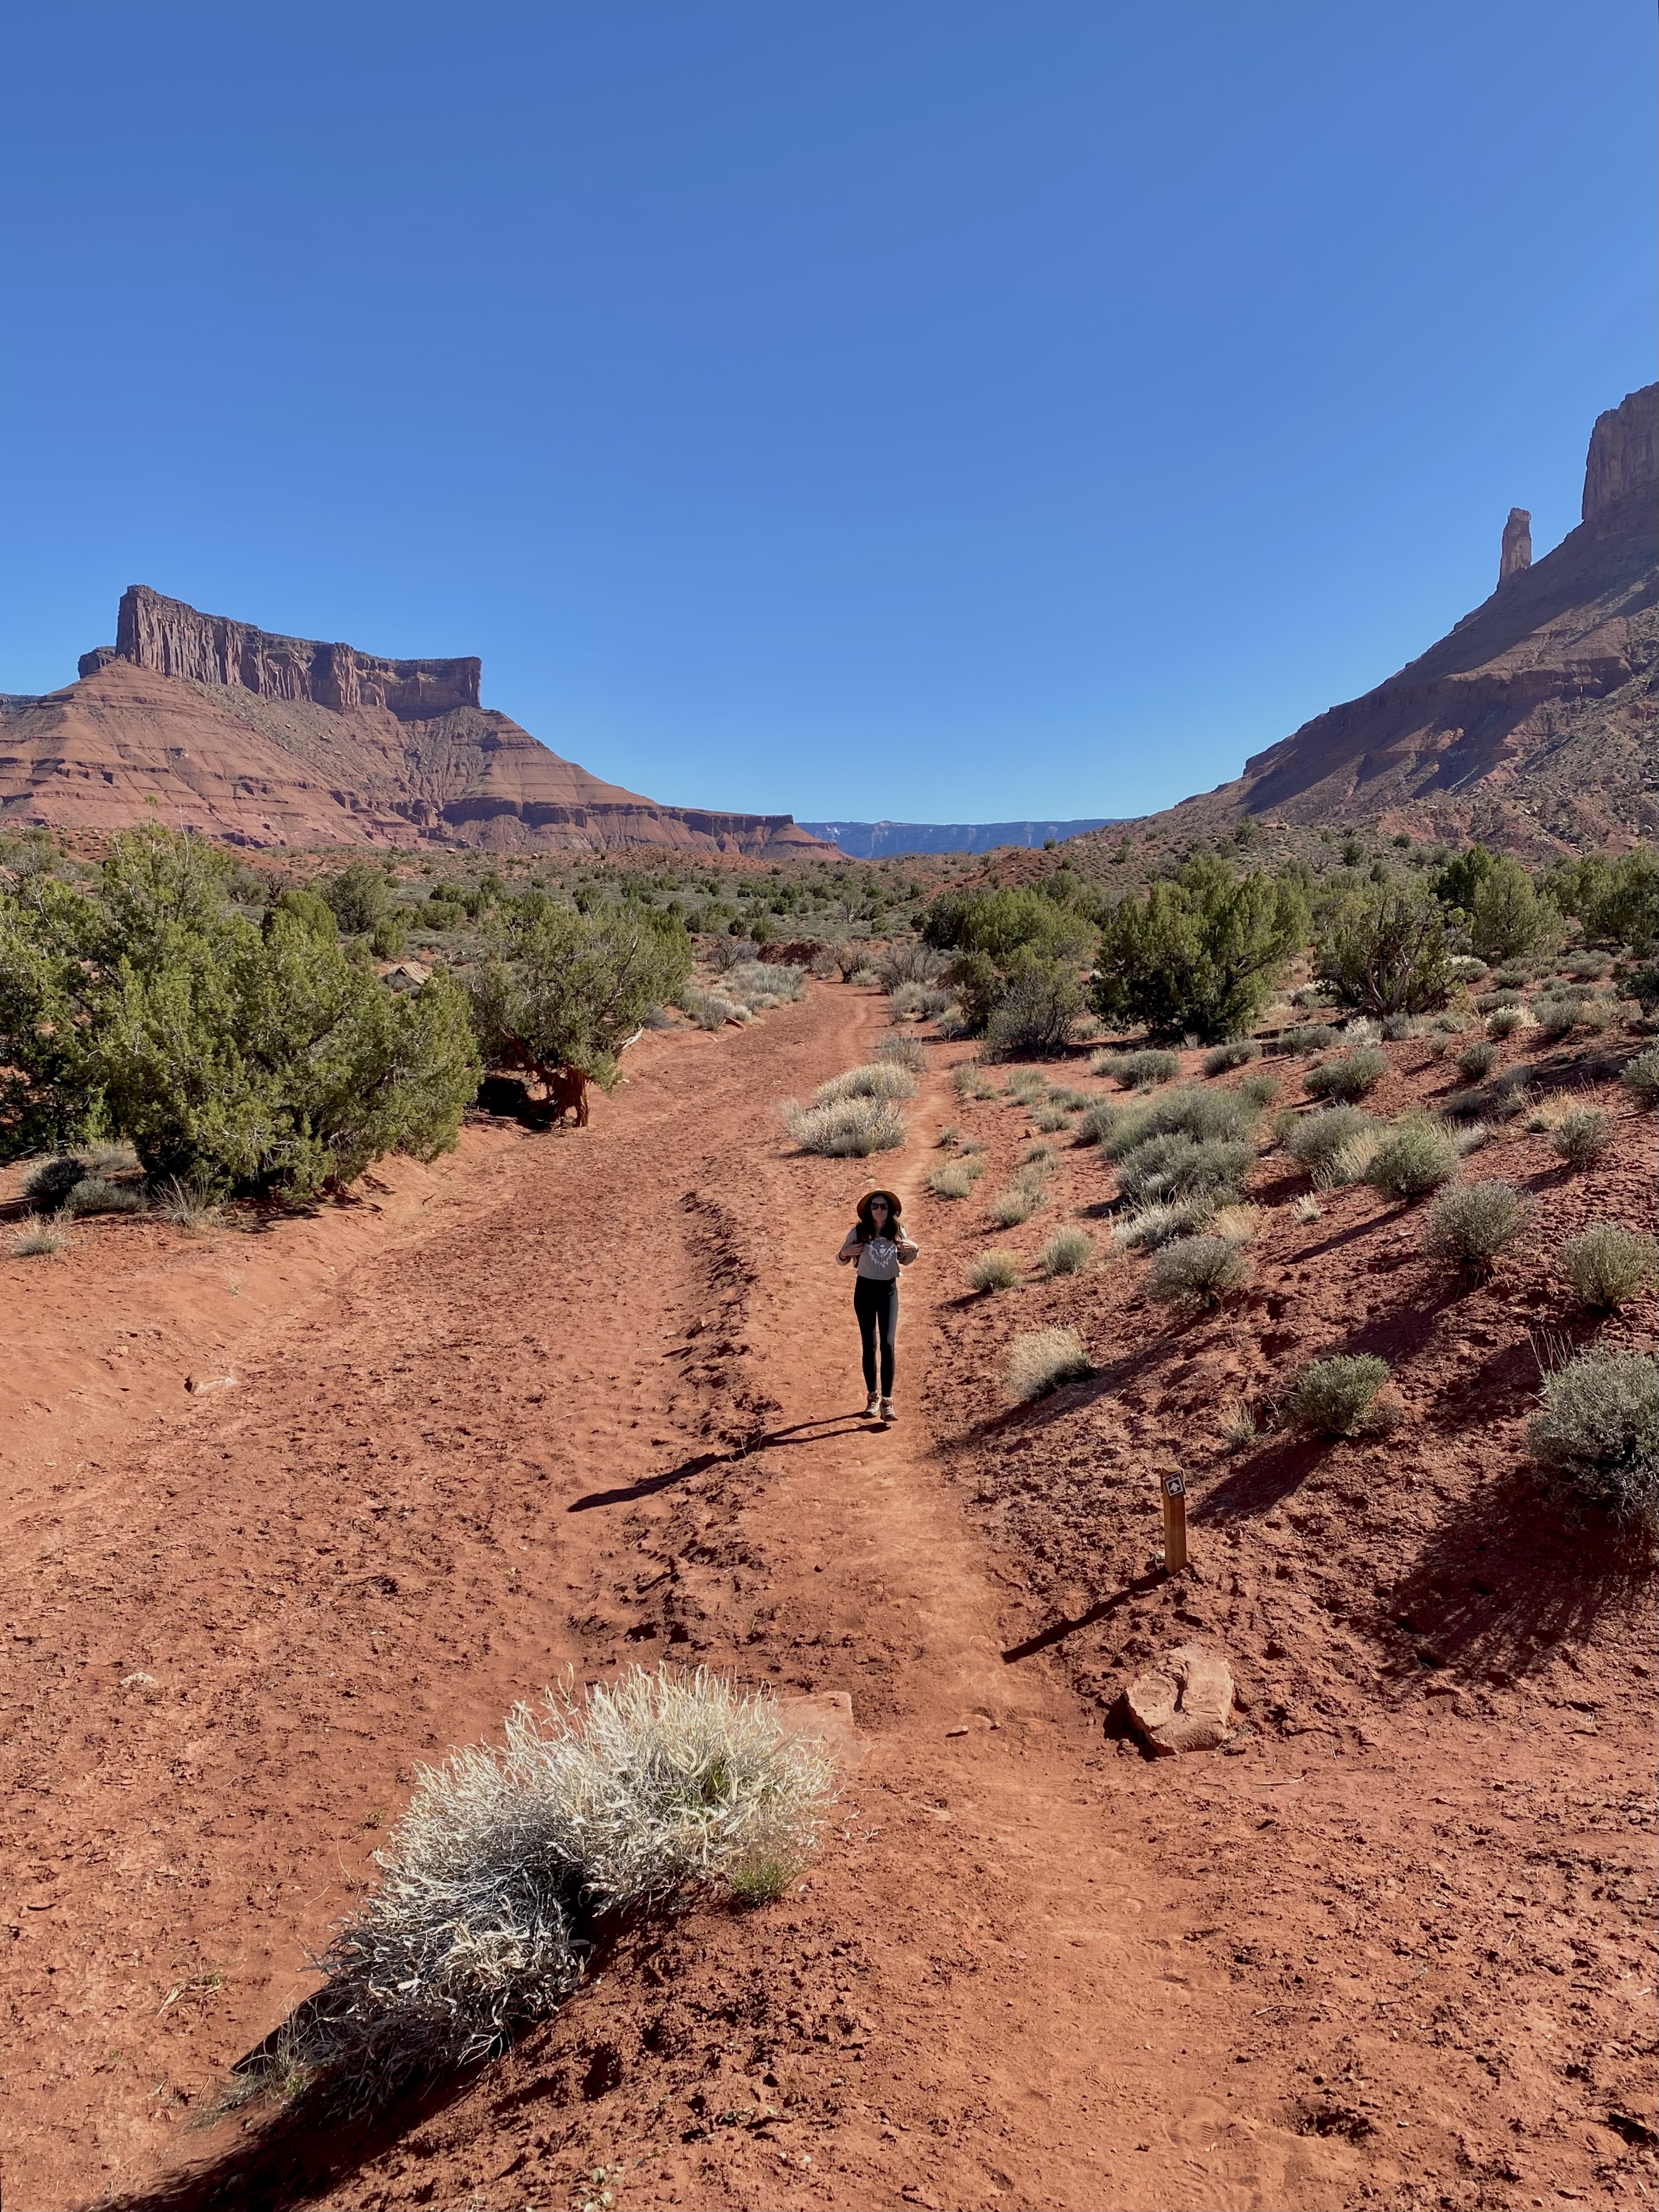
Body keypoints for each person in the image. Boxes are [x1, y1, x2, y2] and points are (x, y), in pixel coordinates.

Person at [836, 1189, 918, 1424]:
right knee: (869, 1344)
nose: (879, 1210)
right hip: (864, 1290)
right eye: (874, 1206)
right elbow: (840, 1260)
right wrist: (844, 1253)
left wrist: (915, 1250)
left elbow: (906, 1259)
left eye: (883, 1206)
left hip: (888, 1290)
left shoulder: (896, 1231)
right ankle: (873, 1398)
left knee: (889, 1344)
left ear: (890, 1209)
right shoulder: (859, 1231)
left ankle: (888, 1403)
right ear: (868, 1210)